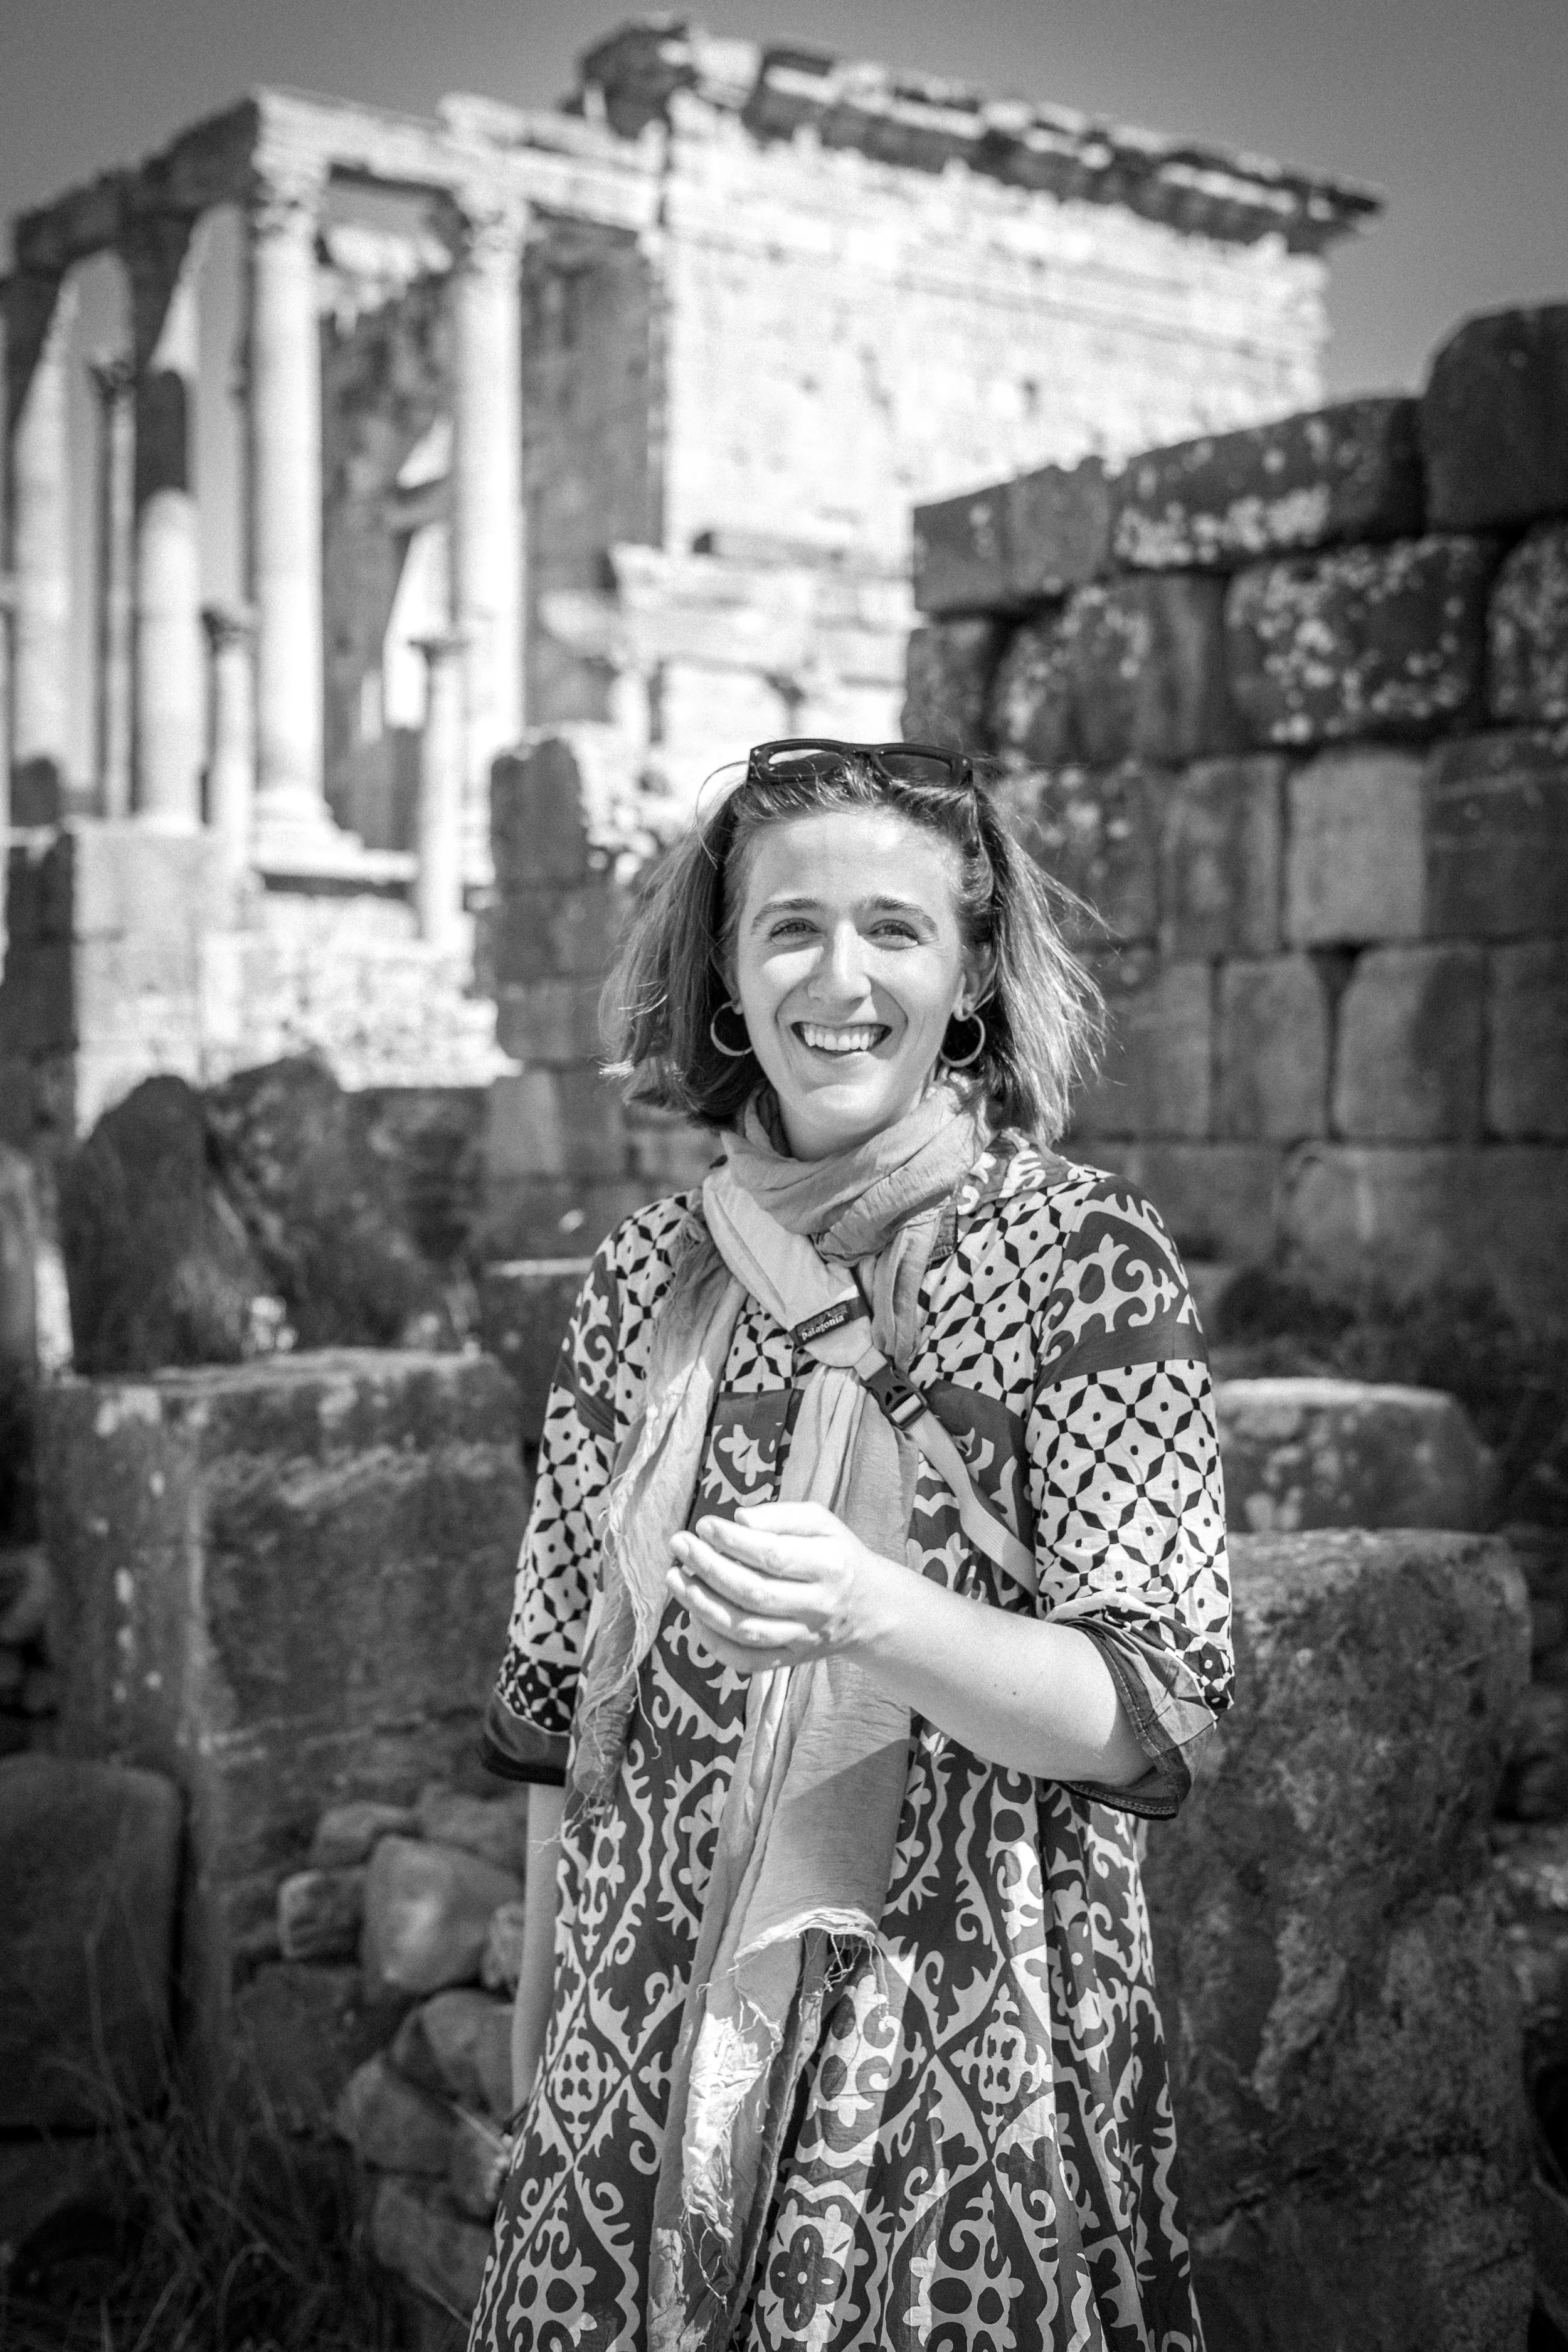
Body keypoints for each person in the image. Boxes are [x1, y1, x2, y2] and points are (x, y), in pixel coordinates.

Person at [469, 738, 1231, 2352]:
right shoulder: (638, 1281)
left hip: (959, 2032)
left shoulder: (1082, 1259)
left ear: (965, 984)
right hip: (644, 2024)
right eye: (789, 928)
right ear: (731, 986)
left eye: (894, 930)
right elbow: (560, 1716)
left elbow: (1145, 1720)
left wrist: (877, 1616)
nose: (841, 974)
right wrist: (551, 2041)